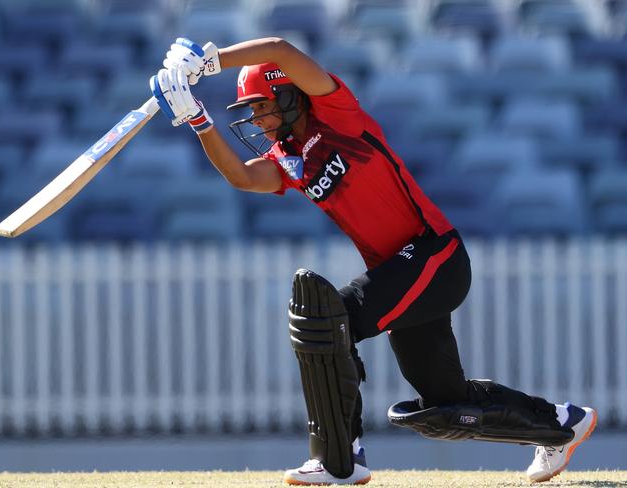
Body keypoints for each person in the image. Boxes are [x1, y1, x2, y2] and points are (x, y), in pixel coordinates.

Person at [150, 37, 597, 485]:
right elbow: (243, 177)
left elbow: (282, 51)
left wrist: (210, 63)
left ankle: (340, 459)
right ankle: (561, 424)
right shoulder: (287, 159)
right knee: (446, 404)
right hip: (403, 273)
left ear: (291, 95)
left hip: (433, 254)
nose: (257, 119)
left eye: (263, 106)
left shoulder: (335, 112)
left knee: (327, 320)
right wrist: (197, 119)